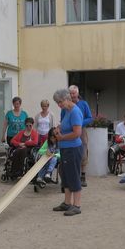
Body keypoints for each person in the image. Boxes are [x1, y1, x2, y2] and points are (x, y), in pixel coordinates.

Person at [53, 88, 83, 216]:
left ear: (66, 99)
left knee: (73, 175)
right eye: (57, 103)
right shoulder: (66, 111)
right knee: (65, 175)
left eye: (60, 102)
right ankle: (67, 203)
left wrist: (62, 137)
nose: (59, 105)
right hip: (65, 148)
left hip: (73, 149)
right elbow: (64, 125)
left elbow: (77, 133)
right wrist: (58, 128)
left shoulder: (75, 111)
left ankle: (76, 205)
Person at [61, 85, 92, 186]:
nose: (72, 95)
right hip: (68, 132)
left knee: (83, 152)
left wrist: (79, 123)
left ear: (77, 93)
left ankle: (83, 176)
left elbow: (90, 117)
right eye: (70, 93)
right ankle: (72, 176)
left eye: (74, 93)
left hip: (81, 131)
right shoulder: (65, 105)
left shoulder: (83, 104)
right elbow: (62, 119)